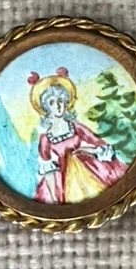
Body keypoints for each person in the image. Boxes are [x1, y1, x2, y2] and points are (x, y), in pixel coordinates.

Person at [27, 69, 127, 204]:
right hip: (62, 181)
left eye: (61, 100)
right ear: (46, 108)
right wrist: (54, 198)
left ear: (66, 102)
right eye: (52, 102)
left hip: (88, 171)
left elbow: (98, 144)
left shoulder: (76, 127)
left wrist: (85, 151)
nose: (58, 106)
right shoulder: (45, 139)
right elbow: (49, 172)